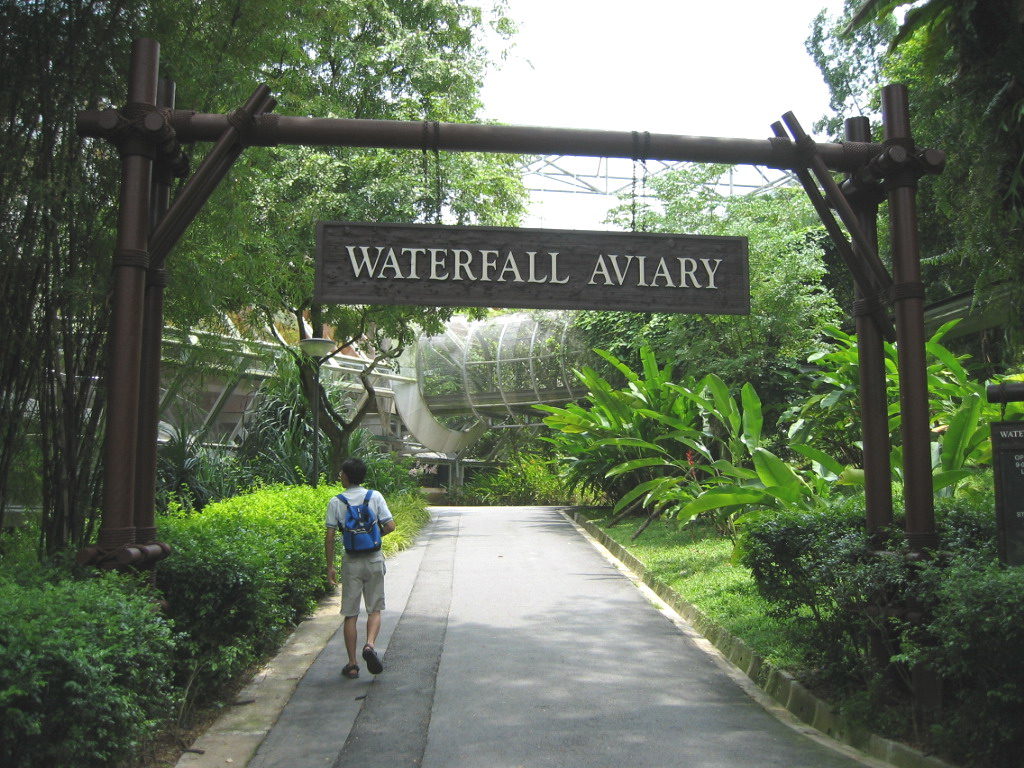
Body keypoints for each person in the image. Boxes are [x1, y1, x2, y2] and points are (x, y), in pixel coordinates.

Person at [325, 457, 396, 679]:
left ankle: (353, 664)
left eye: (341, 473)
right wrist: (373, 536)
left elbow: (329, 537)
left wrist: (330, 566)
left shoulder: (336, 502)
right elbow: (390, 525)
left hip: (351, 562)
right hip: (374, 558)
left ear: (347, 476)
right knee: (374, 609)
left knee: (350, 614)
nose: (339, 476)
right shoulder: (374, 497)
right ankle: (370, 646)